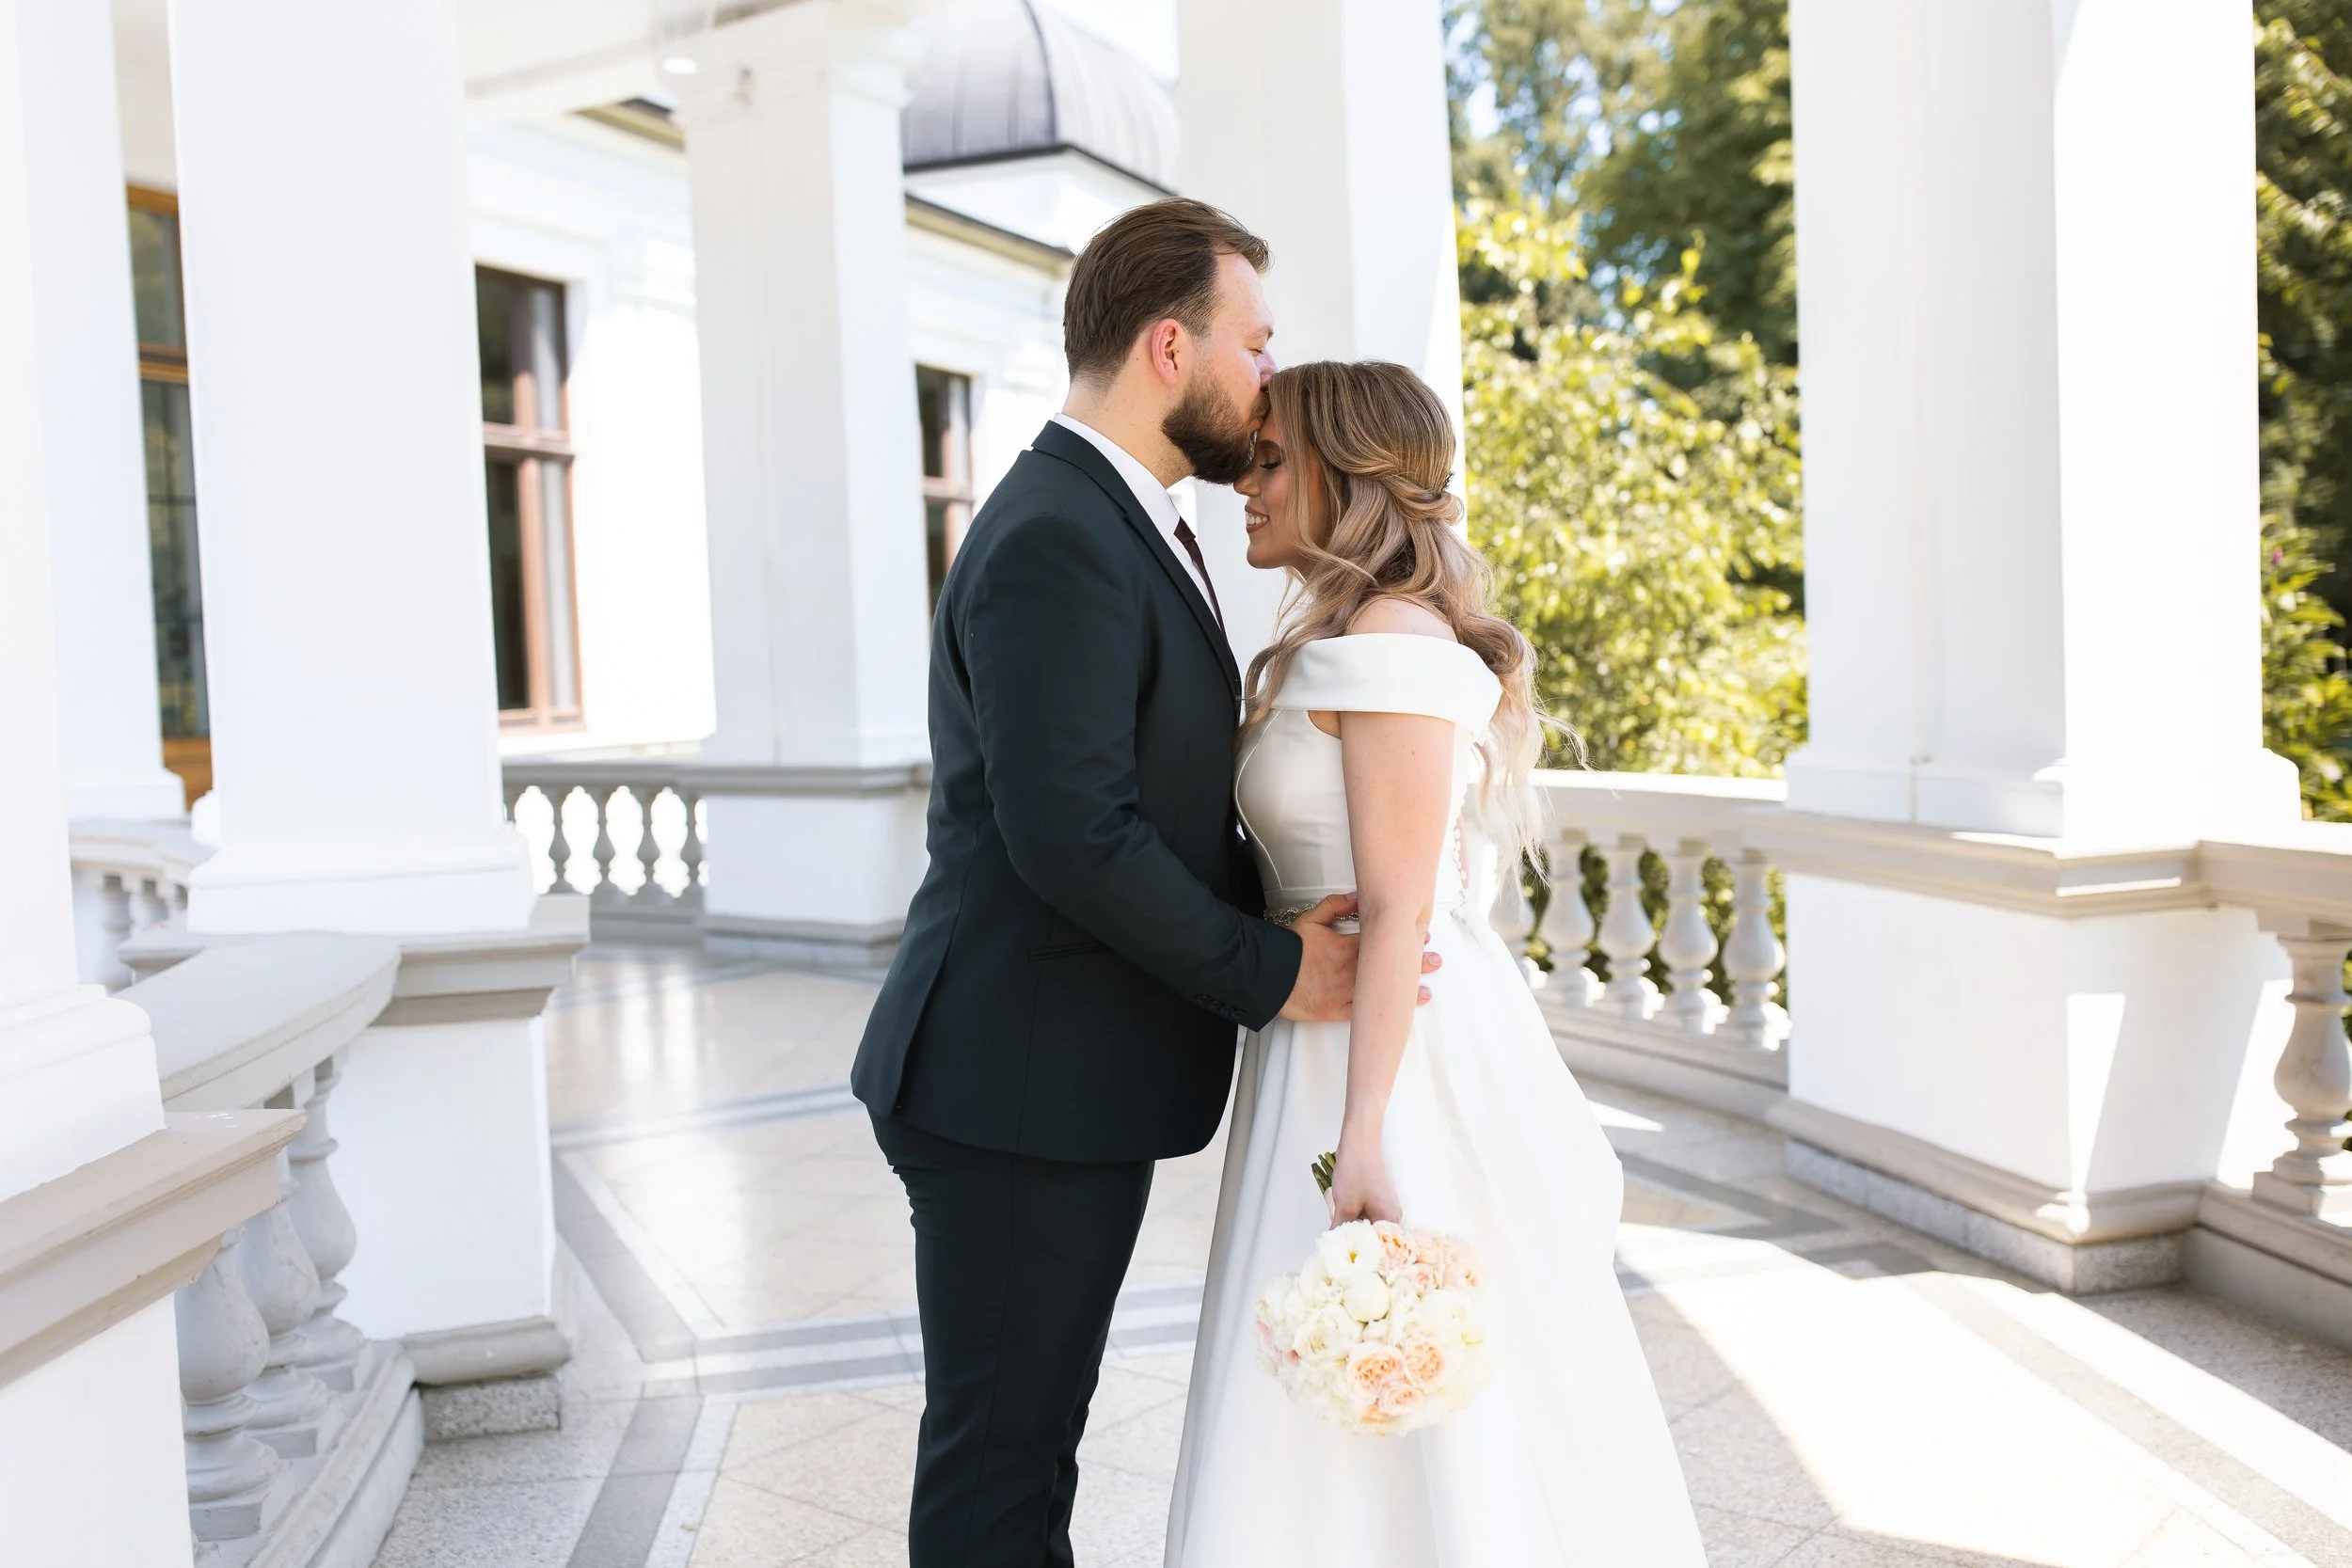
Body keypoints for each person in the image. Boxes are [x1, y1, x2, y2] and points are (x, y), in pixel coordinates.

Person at [850, 198, 1438, 1568]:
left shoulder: (1122, 517)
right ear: (1171, 349)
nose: (1271, 378)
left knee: (1028, 1446)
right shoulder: (1062, 529)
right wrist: (1277, 967)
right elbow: (1075, 833)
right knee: (1000, 1470)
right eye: (1256, 342)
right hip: (1011, 1087)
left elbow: (1155, 805)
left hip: (1049, 1077)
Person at [1164, 359, 1707, 1565]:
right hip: (1317, 1023)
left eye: (1269, 460)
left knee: (1423, 1363)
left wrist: (1362, 1131)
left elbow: (1405, 903)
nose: (1243, 486)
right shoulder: (1338, 634)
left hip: (1383, 1048)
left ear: (1345, 474)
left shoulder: (1391, 637)